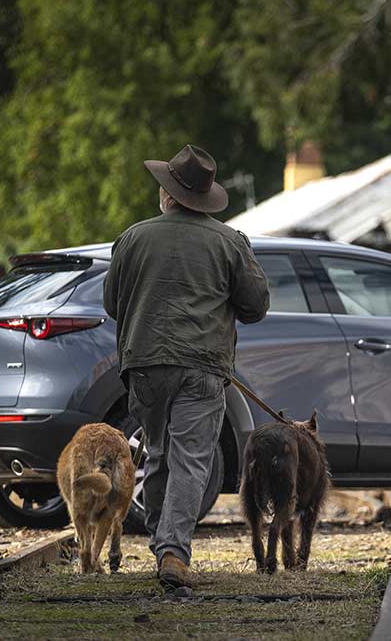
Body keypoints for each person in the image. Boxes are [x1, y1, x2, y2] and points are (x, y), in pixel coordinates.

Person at [103, 144, 270, 590]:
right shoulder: (229, 242)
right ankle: (173, 552)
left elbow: (110, 302)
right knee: (191, 459)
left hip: (145, 365)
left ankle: (164, 547)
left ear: (167, 193)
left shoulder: (133, 238)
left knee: (158, 453)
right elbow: (255, 307)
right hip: (202, 367)